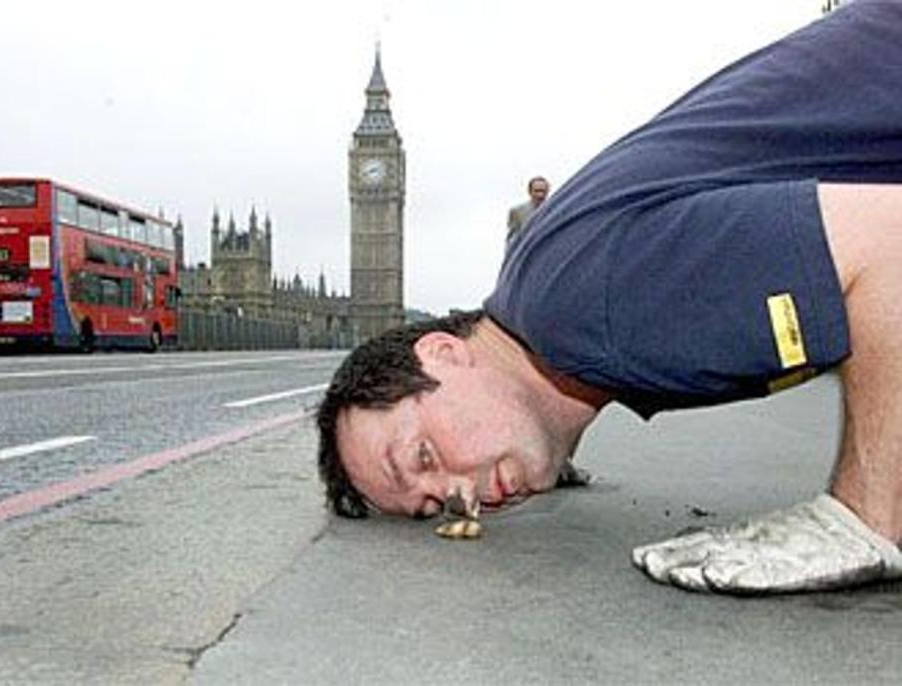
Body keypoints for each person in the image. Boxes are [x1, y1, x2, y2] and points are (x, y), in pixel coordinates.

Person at [317, 0, 902, 595]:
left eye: (422, 457)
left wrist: (864, 515)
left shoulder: (593, 311)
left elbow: (890, 242)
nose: (458, 496)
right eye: (431, 505)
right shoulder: (554, 296)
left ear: (442, 352)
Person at [505, 176, 549, 244]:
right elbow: (511, 240)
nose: (540, 195)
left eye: (543, 191)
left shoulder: (554, 209)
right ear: (529, 191)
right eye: (537, 191)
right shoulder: (517, 212)